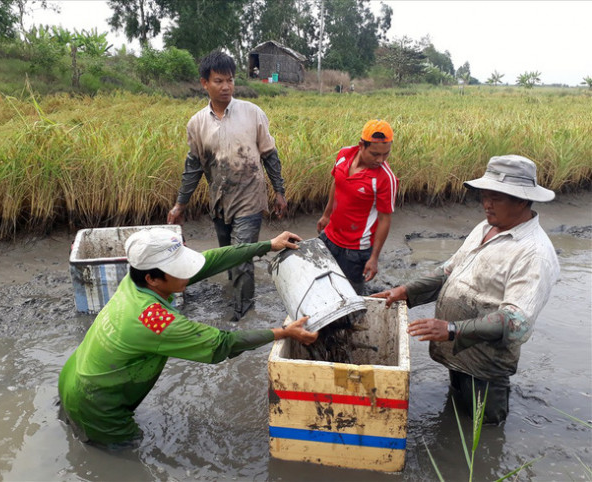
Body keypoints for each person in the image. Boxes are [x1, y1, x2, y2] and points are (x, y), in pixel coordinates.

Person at [58, 228, 318, 446]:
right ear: (153, 279)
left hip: (74, 374)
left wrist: (266, 245)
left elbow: (210, 261)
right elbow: (222, 344)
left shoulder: (135, 279)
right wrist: (282, 333)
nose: (187, 273)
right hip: (96, 406)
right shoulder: (154, 321)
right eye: (179, 270)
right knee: (127, 454)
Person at [374, 155, 560, 424]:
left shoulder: (534, 254)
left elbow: (516, 323)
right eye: (484, 195)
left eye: (496, 197)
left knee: (483, 435)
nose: (486, 204)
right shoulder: (486, 226)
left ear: (522, 200)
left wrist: (451, 329)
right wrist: (405, 291)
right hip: (457, 355)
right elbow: (449, 271)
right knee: (456, 418)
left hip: (485, 367)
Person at [167, 50, 287, 321]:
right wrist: (180, 204)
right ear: (204, 83)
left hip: (250, 197)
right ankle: (237, 298)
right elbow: (194, 168)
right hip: (220, 202)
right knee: (227, 257)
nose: (226, 87)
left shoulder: (252, 113)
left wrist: (279, 191)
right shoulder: (197, 124)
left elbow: (270, 155)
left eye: (230, 80)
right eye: (219, 81)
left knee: (242, 256)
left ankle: (243, 317)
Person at [316, 119, 398, 295]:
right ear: (362, 145)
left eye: (386, 154)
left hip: (355, 250)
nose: (380, 159)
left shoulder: (385, 178)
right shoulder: (344, 155)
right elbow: (337, 184)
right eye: (375, 154)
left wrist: (374, 258)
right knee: (323, 285)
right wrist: (326, 215)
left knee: (350, 297)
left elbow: (385, 219)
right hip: (330, 237)